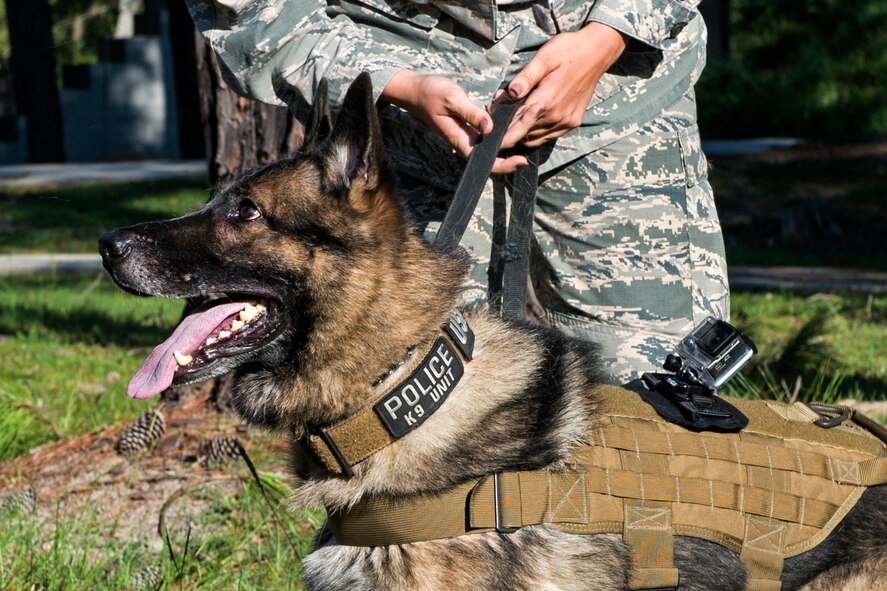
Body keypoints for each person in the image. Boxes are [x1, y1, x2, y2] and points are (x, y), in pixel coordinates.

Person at [184, 0, 729, 384]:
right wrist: (391, 81)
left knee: (662, 408)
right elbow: (246, 8)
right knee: (424, 440)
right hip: (401, 141)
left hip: (619, 103)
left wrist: (606, 37)